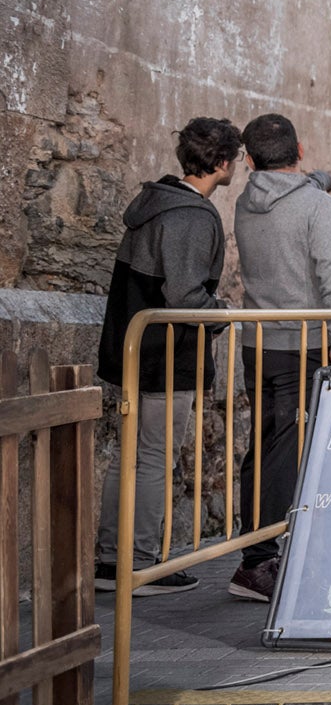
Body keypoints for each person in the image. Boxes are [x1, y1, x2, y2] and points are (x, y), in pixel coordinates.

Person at [94, 116, 243, 597]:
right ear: (222, 163)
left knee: (131, 455)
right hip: (164, 356)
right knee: (154, 457)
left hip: (137, 349)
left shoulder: (155, 204)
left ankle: (111, 562)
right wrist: (223, 314)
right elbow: (184, 296)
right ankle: (138, 565)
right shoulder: (192, 215)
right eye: (233, 161)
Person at [227, 113, 331, 603]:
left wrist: (322, 179)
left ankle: (259, 553)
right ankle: (258, 562)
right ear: (300, 151)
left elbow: (286, 187)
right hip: (305, 343)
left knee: (265, 444)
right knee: (287, 449)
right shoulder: (316, 208)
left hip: (259, 343)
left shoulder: (246, 201)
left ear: (251, 160)